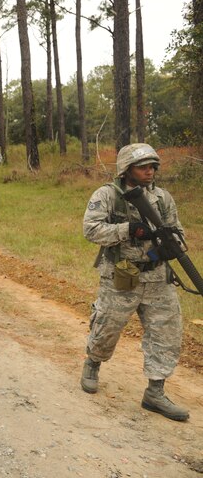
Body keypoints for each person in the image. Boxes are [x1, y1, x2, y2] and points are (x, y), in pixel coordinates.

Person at [80, 143, 189, 421]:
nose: (150, 171)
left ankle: (155, 391)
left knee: (166, 333)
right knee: (108, 324)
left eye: (153, 166)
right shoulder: (108, 195)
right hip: (123, 272)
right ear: (126, 169)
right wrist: (127, 229)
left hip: (157, 276)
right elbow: (91, 229)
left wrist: (170, 246)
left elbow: (178, 231)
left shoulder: (163, 198)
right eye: (143, 167)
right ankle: (93, 363)